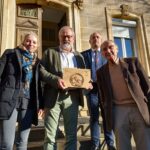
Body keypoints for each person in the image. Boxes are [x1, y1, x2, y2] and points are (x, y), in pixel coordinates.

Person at [40, 26, 92, 150]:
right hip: (53, 97)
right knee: (50, 136)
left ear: (73, 38)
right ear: (59, 37)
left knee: (71, 135)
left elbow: (83, 75)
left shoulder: (79, 56)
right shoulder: (50, 52)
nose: (66, 38)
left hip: (72, 98)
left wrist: (86, 84)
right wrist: (55, 79)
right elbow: (41, 71)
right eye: (63, 36)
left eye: (69, 36)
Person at [96, 40, 150, 150]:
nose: (108, 51)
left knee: (145, 144)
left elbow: (147, 88)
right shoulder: (100, 72)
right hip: (118, 111)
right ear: (102, 53)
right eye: (104, 49)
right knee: (122, 146)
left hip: (139, 109)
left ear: (117, 49)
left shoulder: (132, 63)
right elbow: (103, 98)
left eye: (111, 47)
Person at [0, 32, 43, 150]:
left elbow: (39, 85)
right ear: (23, 41)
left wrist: (41, 105)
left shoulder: (38, 62)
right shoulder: (10, 54)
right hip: (9, 100)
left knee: (23, 142)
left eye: (34, 42)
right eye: (28, 41)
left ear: (37, 45)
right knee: (6, 144)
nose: (31, 44)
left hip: (28, 103)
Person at [81, 32, 116, 150]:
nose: (95, 39)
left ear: (100, 40)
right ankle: (95, 143)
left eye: (97, 37)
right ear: (90, 41)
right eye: (93, 38)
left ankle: (110, 142)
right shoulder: (83, 55)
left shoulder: (106, 54)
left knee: (107, 115)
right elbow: (80, 71)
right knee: (94, 117)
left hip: (105, 89)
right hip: (91, 90)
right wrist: (85, 81)